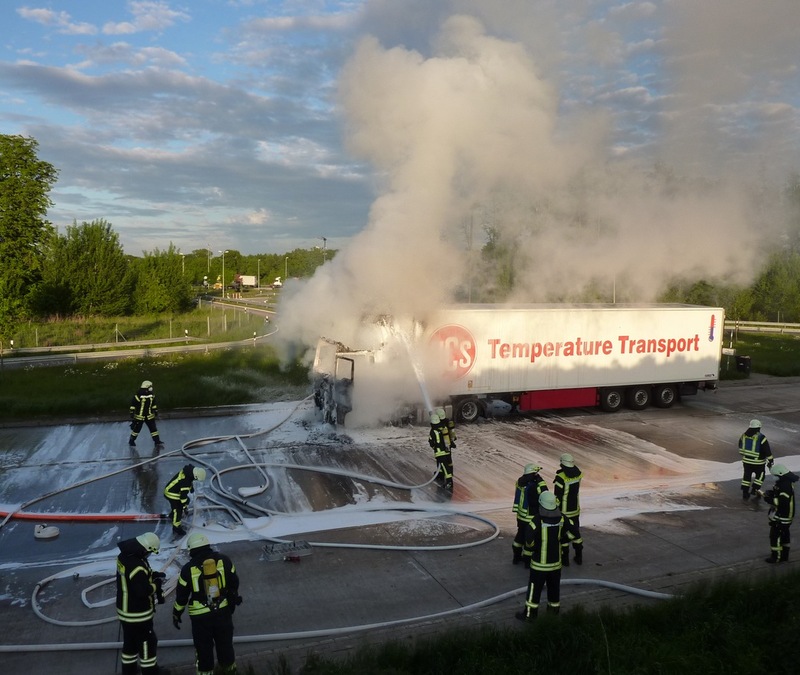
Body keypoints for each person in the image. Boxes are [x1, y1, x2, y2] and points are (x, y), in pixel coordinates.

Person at [173, 532, 242, 675]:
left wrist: (177, 613)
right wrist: (231, 599)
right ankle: (230, 672)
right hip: (222, 612)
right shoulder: (224, 560)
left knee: (203, 650)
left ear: (192, 550)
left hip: (200, 618)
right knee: (226, 647)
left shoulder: (187, 569)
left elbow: (181, 596)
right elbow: (234, 582)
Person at [115, 532, 168, 675]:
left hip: (125, 612)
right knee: (148, 643)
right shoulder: (137, 566)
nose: (149, 555)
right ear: (145, 549)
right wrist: (156, 584)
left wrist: (152, 575)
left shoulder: (125, 557)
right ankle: (151, 672)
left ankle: (129, 671)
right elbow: (142, 591)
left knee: (130, 645)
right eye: (150, 552)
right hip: (138, 614)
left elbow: (135, 580)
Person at [516, 491, 566, 621]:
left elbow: (528, 539)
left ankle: (529, 616)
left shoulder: (537, 520)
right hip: (556, 564)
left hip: (539, 565)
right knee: (554, 589)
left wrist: (532, 549)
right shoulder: (562, 518)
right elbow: (572, 533)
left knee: (534, 590)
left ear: (541, 505)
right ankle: (553, 613)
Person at [760, 463, 798, 563]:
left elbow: (781, 502)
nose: (773, 477)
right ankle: (784, 556)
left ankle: (776, 557)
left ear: (780, 474)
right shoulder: (784, 483)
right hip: (785, 515)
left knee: (775, 536)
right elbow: (779, 495)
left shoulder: (785, 486)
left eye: (775, 475)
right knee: (785, 536)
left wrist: (768, 498)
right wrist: (772, 493)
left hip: (783, 517)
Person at [511, 463, 548, 565]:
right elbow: (545, 495)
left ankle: (516, 557)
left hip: (520, 516)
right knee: (530, 538)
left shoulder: (519, 481)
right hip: (531, 517)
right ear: (534, 473)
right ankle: (527, 560)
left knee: (520, 536)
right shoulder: (538, 484)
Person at [554, 452, 584, 566]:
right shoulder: (578, 474)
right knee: (575, 532)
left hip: (564, 511)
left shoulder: (560, 478)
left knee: (563, 535)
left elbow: (557, 496)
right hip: (575, 509)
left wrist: (555, 509)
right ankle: (579, 556)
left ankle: (565, 559)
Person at [164, 465, 207, 536]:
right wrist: (185, 507)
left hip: (171, 489)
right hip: (171, 494)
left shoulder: (189, 471)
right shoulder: (185, 482)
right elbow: (183, 498)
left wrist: (191, 487)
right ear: (195, 476)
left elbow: (189, 479)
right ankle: (176, 527)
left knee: (183, 502)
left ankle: (172, 515)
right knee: (178, 509)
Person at [738, 419, 774, 500]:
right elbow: (767, 449)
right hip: (758, 462)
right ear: (758, 428)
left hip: (746, 461)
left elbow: (740, 445)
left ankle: (745, 493)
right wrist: (771, 460)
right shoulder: (761, 437)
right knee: (760, 476)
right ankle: (754, 489)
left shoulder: (743, 435)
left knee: (746, 476)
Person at [129, 380, 164, 450]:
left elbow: (153, 404)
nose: (151, 388)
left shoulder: (151, 395)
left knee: (154, 429)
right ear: (147, 387)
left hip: (149, 415)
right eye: (150, 386)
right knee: (136, 430)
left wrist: (155, 410)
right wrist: (132, 413)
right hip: (140, 416)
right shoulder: (138, 396)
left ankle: (157, 441)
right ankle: (131, 441)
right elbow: (133, 405)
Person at [428, 413, 453, 490]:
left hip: (439, 452)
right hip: (446, 450)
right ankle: (441, 475)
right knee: (443, 465)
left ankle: (449, 482)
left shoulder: (432, 432)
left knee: (444, 466)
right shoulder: (443, 427)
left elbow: (431, 442)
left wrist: (434, 447)